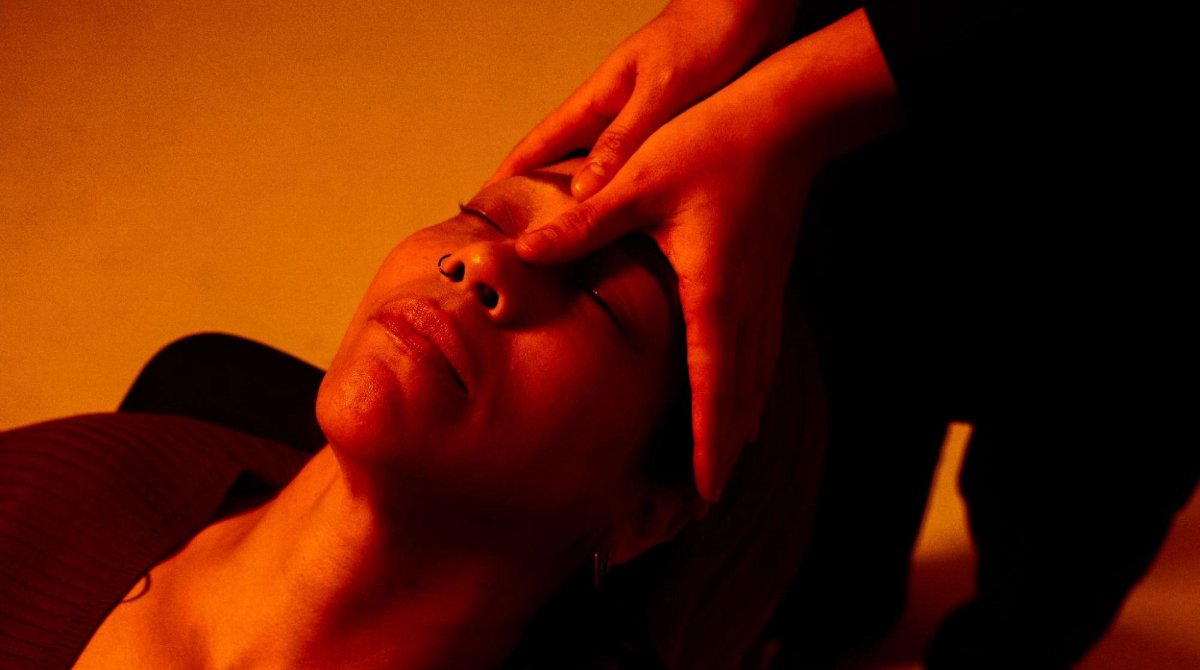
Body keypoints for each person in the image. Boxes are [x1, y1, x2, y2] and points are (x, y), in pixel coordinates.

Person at [489, 0, 1196, 667]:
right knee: (840, 523)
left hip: (1141, 240)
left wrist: (798, 96)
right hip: (860, 202)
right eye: (484, 217)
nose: (479, 264)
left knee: (1065, 528)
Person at [0, 157, 822, 670]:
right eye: (491, 215)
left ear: (647, 509)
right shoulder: (60, 488)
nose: (479, 261)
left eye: (596, 298)